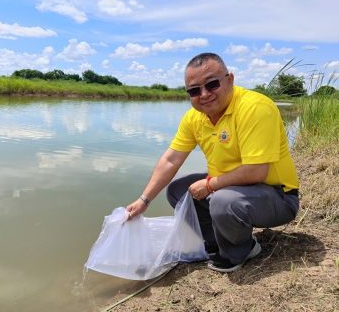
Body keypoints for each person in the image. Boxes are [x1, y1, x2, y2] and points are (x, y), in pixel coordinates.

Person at [125, 52, 299, 273]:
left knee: (222, 200)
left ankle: (243, 249)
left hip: (278, 196)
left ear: (230, 79)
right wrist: (144, 200)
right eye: (195, 90)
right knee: (179, 191)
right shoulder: (194, 118)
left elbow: (256, 172)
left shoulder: (254, 108)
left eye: (212, 84)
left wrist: (209, 185)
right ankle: (216, 244)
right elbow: (171, 159)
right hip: (234, 189)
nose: (204, 94)